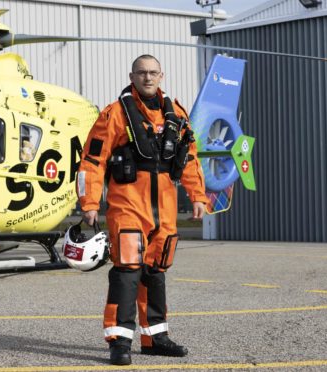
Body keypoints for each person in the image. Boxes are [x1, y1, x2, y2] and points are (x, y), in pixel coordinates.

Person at [77, 55, 208, 366]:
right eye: (141, 73)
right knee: (127, 270)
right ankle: (119, 341)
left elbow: (189, 158)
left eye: (153, 73)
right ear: (132, 76)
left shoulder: (177, 114)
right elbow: (91, 162)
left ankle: (155, 338)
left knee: (156, 270)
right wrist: (90, 203)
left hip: (164, 209)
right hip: (128, 207)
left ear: (161, 75)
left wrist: (198, 196)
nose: (147, 78)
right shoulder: (114, 115)